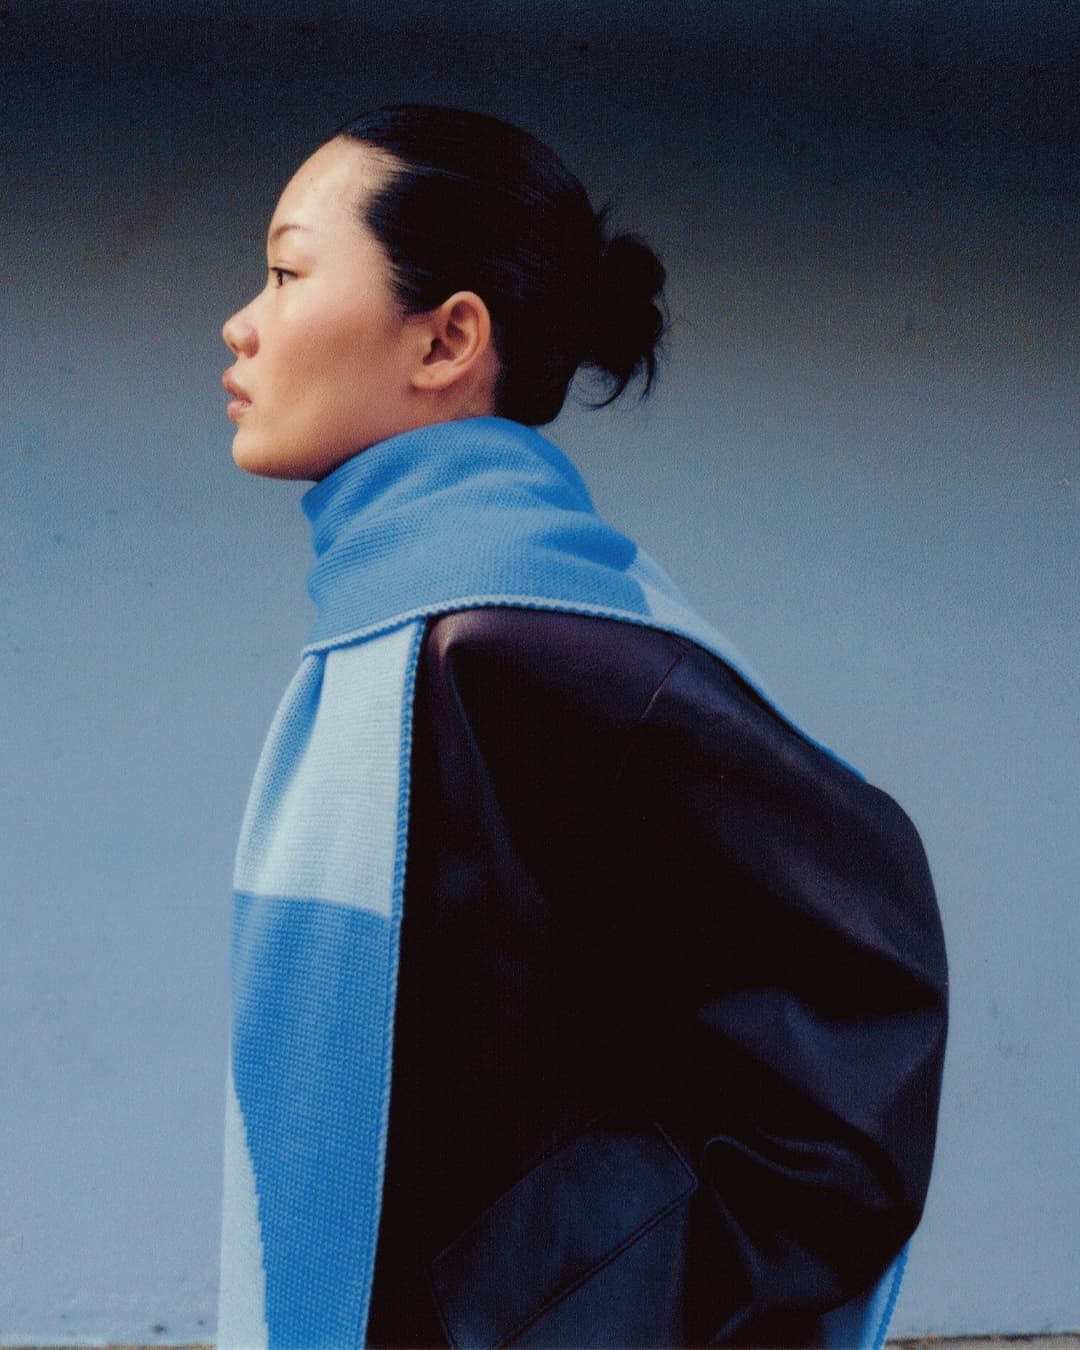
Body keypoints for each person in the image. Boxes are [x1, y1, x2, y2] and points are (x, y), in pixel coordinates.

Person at [217, 104, 947, 1350]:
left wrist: (581, 1299)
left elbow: (859, 1008)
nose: (242, 321)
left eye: (287, 274)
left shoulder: (524, 646)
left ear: (447, 339)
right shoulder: (393, 636)